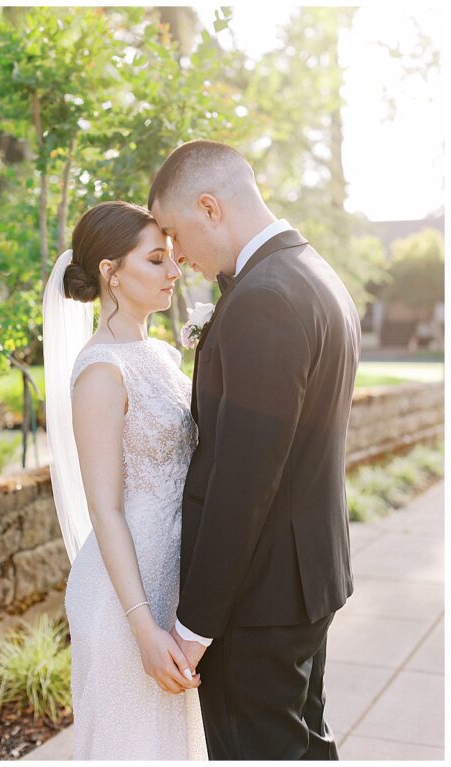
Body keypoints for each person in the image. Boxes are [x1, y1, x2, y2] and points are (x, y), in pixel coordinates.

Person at [149, 139, 360, 759]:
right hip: (303, 582)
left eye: (173, 231)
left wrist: (194, 627)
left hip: (258, 597)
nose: (176, 254)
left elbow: (243, 484)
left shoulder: (262, 300)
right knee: (301, 747)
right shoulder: (315, 274)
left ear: (210, 207)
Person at [42, 201, 206, 759]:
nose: (175, 271)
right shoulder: (100, 371)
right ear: (112, 272)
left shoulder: (160, 354)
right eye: (157, 260)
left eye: (171, 257)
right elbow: (104, 508)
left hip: (175, 582)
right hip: (123, 601)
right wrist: (143, 629)